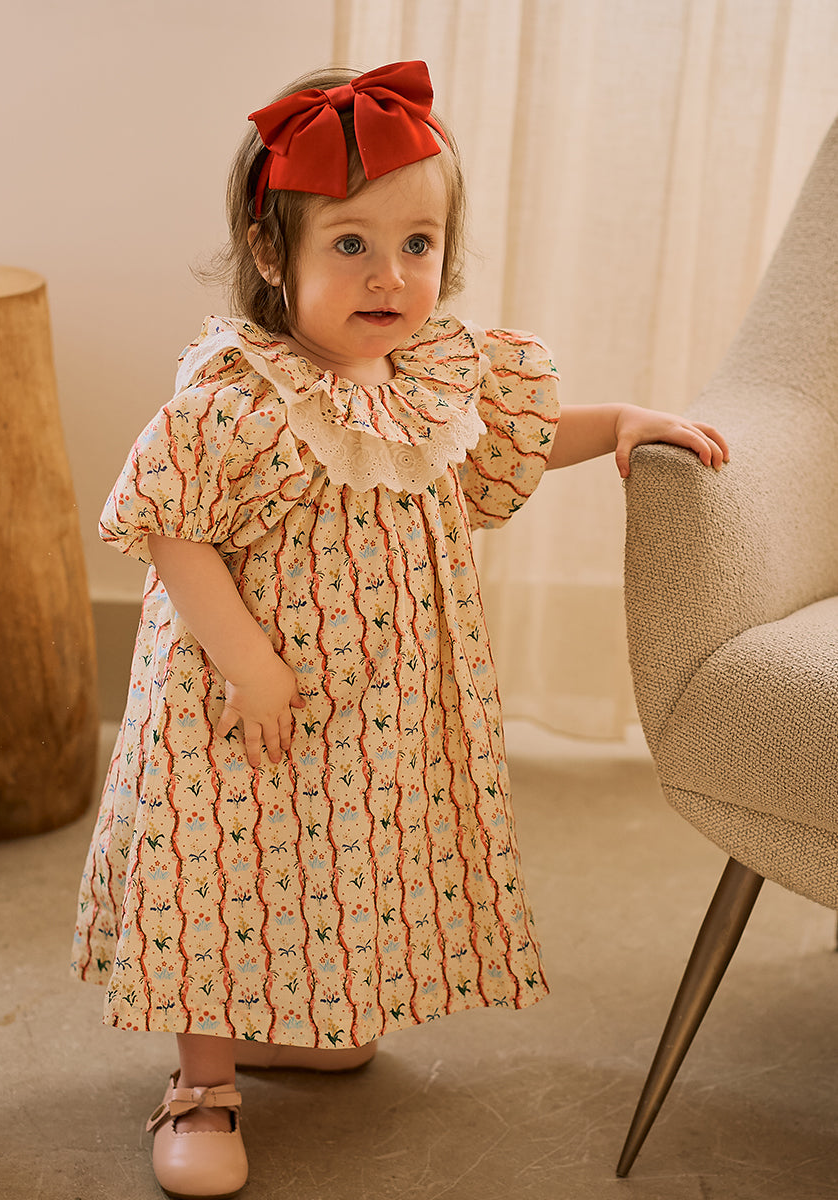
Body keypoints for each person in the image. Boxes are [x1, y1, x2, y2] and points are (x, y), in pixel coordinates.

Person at [72, 60, 728, 1200]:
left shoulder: (431, 378)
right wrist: (248, 665)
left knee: (328, 855)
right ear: (270, 251)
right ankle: (203, 1081)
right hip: (242, 700)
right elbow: (169, 527)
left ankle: (293, 1018)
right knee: (223, 862)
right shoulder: (241, 395)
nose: (391, 275)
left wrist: (622, 419)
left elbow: (508, 444)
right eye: (351, 244)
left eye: (417, 244)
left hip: (374, 701)